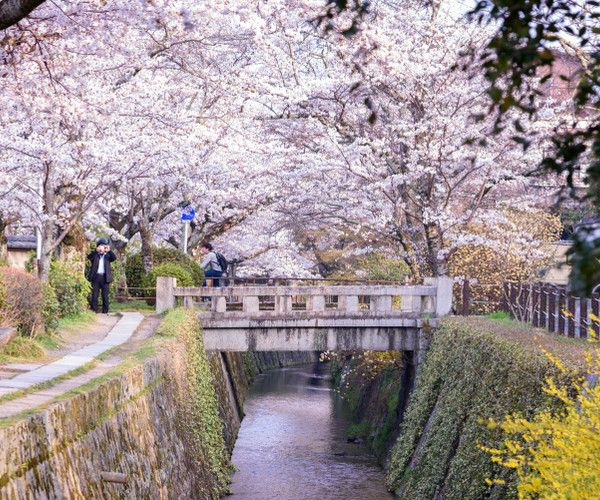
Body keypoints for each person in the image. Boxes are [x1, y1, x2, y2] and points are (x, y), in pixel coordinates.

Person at [87, 238, 117, 313]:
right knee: (95, 295)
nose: (102, 248)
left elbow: (114, 258)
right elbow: (89, 257)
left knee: (105, 296)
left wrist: (109, 251)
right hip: (96, 277)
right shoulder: (95, 255)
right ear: (98, 246)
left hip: (105, 277)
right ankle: (94, 310)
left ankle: (105, 311)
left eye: (104, 246)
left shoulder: (108, 256)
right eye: (101, 246)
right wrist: (96, 250)